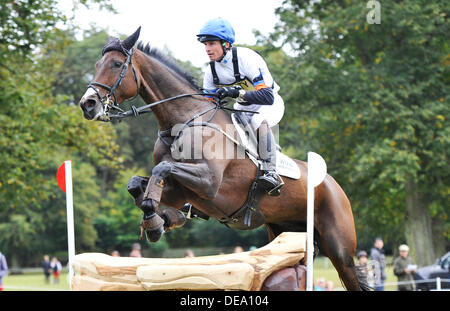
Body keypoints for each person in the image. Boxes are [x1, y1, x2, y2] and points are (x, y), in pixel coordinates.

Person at [197, 18, 285, 196]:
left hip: (270, 105)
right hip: (242, 110)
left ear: (226, 44)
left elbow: (267, 97)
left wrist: (237, 93)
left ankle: (271, 172)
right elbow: (208, 107)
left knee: (258, 119)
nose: (207, 49)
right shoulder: (210, 71)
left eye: (211, 43)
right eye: (205, 44)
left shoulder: (248, 58)